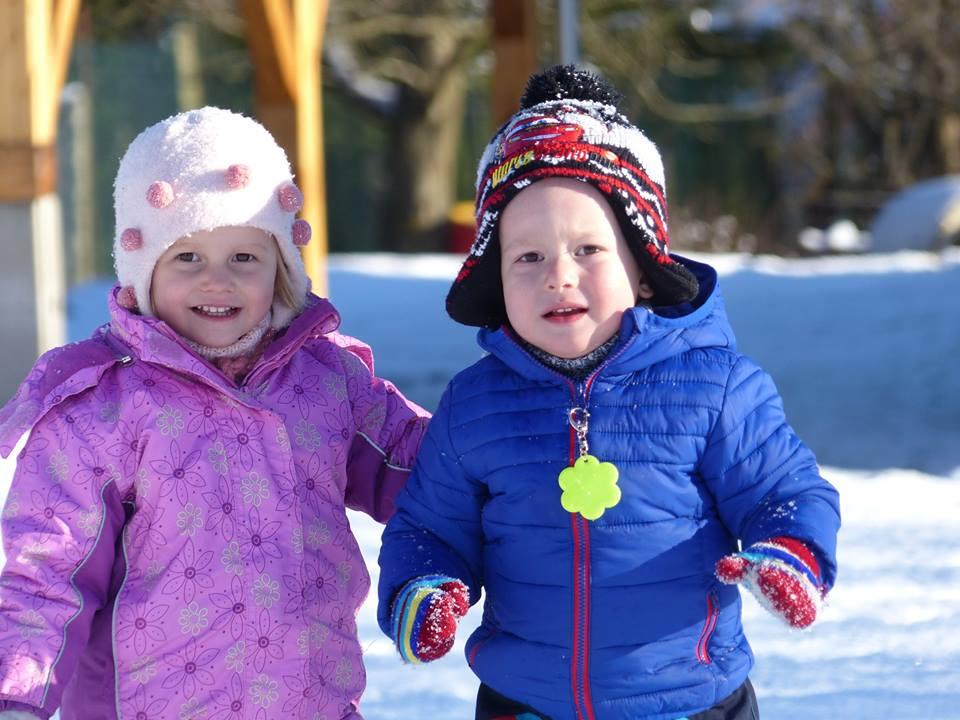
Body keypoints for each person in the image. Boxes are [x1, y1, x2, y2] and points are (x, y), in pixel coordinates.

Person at [377, 65, 841, 720]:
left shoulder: (714, 388)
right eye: (528, 257)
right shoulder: (474, 406)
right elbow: (430, 525)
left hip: (688, 701)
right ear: (496, 281)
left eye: (588, 250)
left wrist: (790, 553)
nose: (558, 277)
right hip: (525, 704)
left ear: (643, 270)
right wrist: (426, 587)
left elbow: (785, 492)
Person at [0, 107, 429, 720]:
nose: (217, 281)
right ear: (144, 268)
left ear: (281, 266)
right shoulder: (104, 410)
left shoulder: (328, 382)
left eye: (244, 258)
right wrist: (18, 696)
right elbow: (48, 575)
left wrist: (509, 442)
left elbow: (429, 469)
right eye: (187, 258)